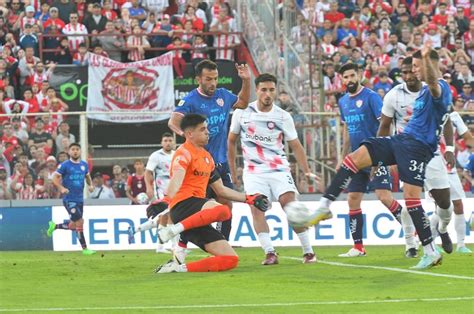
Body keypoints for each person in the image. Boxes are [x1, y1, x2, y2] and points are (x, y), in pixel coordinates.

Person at [310, 45, 452, 270]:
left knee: (412, 198)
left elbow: (434, 83)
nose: (413, 71)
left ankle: (430, 250)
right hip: (402, 141)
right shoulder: (412, 92)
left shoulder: (440, 88)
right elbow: (386, 124)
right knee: (353, 159)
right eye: (412, 67)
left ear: (428, 67)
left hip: (419, 149)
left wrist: (427, 61)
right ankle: (324, 206)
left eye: (416, 67)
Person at [154, 114, 269, 273]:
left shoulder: (207, 157)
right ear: (190, 134)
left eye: (207, 128)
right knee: (223, 210)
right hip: (183, 206)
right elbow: (177, 180)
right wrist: (166, 199)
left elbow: (221, 190)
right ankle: (172, 231)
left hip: (196, 216)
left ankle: (177, 268)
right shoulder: (184, 153)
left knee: (230, 259)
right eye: (203, 129)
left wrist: (249, 199)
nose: (208, 132)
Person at [228, 73, 318, 265]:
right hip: (253, 172)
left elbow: (296, 145)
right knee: (256, 209)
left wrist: (306, 170)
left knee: (290, 206)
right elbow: (231, 141)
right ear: (257, 90)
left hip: (279, 170)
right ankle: (269, 252)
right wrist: (232, 169)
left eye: (271, 90)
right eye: (264, 90)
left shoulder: (283, 116)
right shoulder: (241, 112)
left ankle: (308, 251)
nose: (268, 94)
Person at [331, 63, 417, 258]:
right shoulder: (343, 101)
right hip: (355, 159)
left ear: (359, 75)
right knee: (353, 199)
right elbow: (347, 131)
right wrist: (342, 156)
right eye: (345, 77)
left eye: (353, 75)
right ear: (341, 80)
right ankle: (358, 247)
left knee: (384, 197)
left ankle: (412, 231)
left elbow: (385, 125)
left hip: (375, 155)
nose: (349, 80)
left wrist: (386, 155)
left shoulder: (371, 97)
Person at [379, 56, 461, 255]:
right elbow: (384, 127)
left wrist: (449, 149)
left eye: (411, 70)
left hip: (431, 152)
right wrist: (384, 157)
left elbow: (446, 119)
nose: (408, 76)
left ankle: (441, 229)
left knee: (445, 204)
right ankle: (410, 244)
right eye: (404, 72)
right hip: (405, 153)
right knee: (410, 200)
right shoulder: (393, 95)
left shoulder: (431, 91)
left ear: (418, 71)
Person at [168, 59, 250, 242]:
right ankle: (181, 245)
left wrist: (246, 80)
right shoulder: (190, 100)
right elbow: (172, 122)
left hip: (220, 163)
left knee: (227, 205)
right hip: (199, 164)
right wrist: (187, 135)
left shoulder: (223, 95)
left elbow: (243, 103)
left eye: (215, 78)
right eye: (208, 79)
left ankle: (223, 243)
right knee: (195, 209)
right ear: (198, 79)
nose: (213, 83)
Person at [127, 133, 176, 253]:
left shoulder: (176, 155)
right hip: (161, 191)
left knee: (163, 218)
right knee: (171, 217)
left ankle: (136, 230)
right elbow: (148, 172)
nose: (168, 142)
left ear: (174, 143)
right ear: (161, 143)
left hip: (176, 190)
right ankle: (174, 247)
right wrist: (149, 188)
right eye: (165, 140)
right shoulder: (156, 156)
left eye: (170, 140)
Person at [47, 143, 96, 255]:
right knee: (80, 221)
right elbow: (54, 178)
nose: (75, 151)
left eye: (77, 149)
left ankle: (55, 226)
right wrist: (61, 188)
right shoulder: (65, 165)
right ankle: (85, 249)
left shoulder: (84, 165)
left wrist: (90, 185)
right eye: (73, 149)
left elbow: (87, 176)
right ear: (69, 152)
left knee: (73, 225)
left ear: (80, 151)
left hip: (79, 199)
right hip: (69, 199)